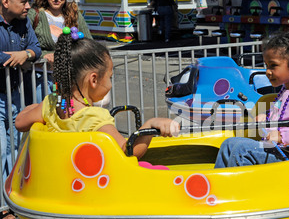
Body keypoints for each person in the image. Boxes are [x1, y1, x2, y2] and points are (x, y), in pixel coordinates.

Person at [15, 29, 179, 160]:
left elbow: (20, 122)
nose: (110, 82)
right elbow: (128, 150)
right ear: (93, 80)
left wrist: (36, 107)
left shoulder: (52, 104)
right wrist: (150, 125)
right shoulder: (93, 118)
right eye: (109, 77)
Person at [214, 29, 289, 168]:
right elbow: (284, 114)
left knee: (241, 150)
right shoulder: (286, 89)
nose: (268, 71)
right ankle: (218, 184)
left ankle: (237, 188)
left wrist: (282, 137)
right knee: (229, 143)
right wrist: (266, 116)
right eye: (267, 66)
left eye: (273, 66)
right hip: (276, 148)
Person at [0, 0, 41, 219]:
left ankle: (10, 197)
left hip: (14, 93)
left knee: (14, 146)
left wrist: (24, 54)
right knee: (1, 147)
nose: (29, 6)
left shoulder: (24, 22)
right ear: (6, 2)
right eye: (24, 1)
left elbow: (34, 47)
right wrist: (13, 57)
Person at [27, 0, 92, 103]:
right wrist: (44, 55)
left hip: (71, 79)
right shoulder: (35, 15)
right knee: (44, 117)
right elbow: (25, 44)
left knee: (66, 117)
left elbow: (89, 42)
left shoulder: (74, 14)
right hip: (42, 79)